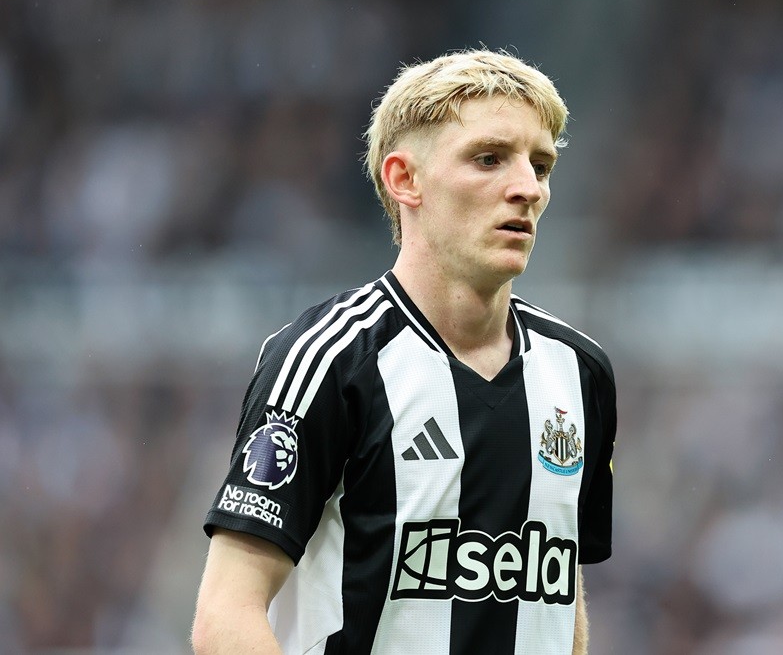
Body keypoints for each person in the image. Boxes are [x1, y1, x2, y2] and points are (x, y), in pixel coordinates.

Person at [192, 48, 617, 655]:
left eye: (541, 165)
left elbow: (560, 595)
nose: (527, 188)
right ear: (404, 179)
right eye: (489, 158)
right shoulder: (329, 361)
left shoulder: (580, 374)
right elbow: (226, 616)